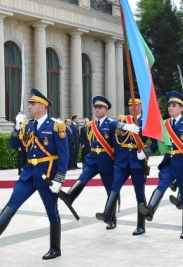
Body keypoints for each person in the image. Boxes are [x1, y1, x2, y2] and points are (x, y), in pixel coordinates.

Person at [0, 89, 69, 260]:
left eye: (32, 104)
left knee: (51, 211)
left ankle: (55, 248)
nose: (29, 107)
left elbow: (64, 156)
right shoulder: (28, 125)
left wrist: (59, 180)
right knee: (14, 200)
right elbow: (13, 144)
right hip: (28, 174)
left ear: (42, 106)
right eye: (30, 104)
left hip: (46, 176)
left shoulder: (56, 126)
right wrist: (17, 127)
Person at [60, 96, 139, 230]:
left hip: (107, 159)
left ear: (106, 110)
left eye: (100, 108)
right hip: (92, 159)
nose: (97, 110)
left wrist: (118, 162)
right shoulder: (90, 125)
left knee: (109, 189)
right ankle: (70, 196)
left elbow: (118, 141)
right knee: (83, 178)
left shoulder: (111, 123)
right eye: (95, 108)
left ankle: (111, 218)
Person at [139, 91, 183, 239]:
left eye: (174, 105)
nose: (171, 108)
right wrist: (145, 152)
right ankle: (150, 210)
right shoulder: (165, 124)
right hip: (168, 163)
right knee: (162, 184)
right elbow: (156, 142)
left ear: (181, 108)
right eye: (169, 105)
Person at [96, 93, 148, 235]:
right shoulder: (123, 120)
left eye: (135, 105)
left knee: (139, 193)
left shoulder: (147, 121)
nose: (132, 108)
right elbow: (112, 124)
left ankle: (141, 225)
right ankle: (107, 213)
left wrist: (146, 152)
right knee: (115, 186)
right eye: (130, 105)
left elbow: (155, 141)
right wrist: (126, 126)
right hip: (122, 161)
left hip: (137, 162)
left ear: (140, 106)